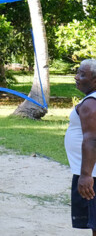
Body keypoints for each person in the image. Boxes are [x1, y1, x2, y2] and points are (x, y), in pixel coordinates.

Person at [66, 59, 96, 234]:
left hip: (91, 174)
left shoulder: (91, 103)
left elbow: (91, 139)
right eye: (78, 72)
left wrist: (85, 176)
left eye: (83, 74)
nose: (77, 77)